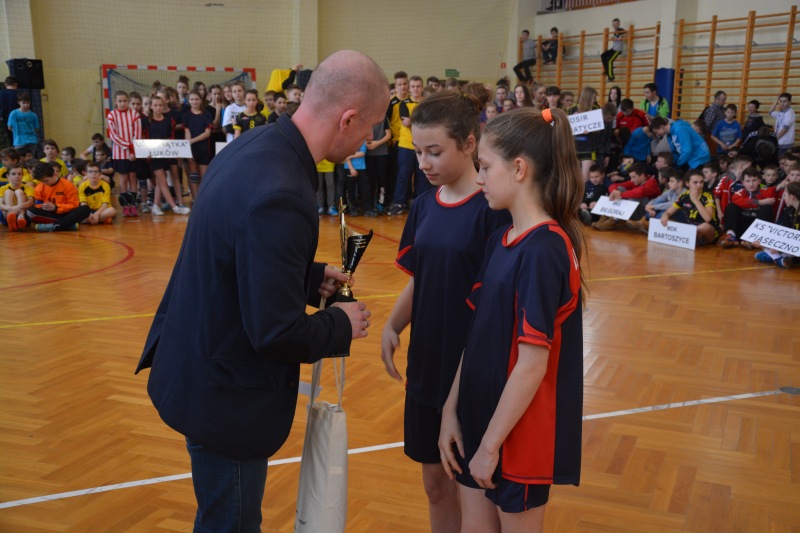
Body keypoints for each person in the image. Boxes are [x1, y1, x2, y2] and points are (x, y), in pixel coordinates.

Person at [135, 50, 385, 532]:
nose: (367, 140)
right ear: (347, 119)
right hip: (225, 395)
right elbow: (274, 332)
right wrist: (339, 324)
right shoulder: (283, 191)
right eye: (369, 128)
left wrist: (308, 277)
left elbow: (236, 254)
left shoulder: (256, 144)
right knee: (230, 524)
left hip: (197, 361)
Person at [439, 106, 584, 531]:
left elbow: (532, 364)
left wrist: (490, 445)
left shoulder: (544, 249)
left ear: (519, 169)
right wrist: (452, 409)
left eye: (485, 167)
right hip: (479, 419)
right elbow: (477, 337)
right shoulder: (502, 238)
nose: (479, 179)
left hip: (517, 435)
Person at [381, 84, 508, 533]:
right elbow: (421, 277)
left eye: (434, 152)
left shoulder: (493, 210)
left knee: (476, 493)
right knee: (435, 485)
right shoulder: (422, 207)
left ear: (470, 144)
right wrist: (393, 325)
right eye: (418, 152)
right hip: (426, 367)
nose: (423, 163)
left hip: (471, 372)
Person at [388, 76, 429, 215]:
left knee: (422, 176)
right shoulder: (404, 103)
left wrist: (414, 120)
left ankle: (420, 203)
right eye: (413, 86)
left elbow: (429, 121)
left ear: (422, 87)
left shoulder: (426, 103)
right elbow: (406, 122)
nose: (415, 89)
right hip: (406, 144)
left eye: (418, 86)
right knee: (403, 175)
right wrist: (421, 119)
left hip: (423, 146)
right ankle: (398, 203)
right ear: (410, 89)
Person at [23, 161, 90, 232]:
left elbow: (74, 205)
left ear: (54, 174)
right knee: (30, 212)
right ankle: (66, 225)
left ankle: (54, 226)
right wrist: (44, 206)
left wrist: (55, 207)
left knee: (85, 209)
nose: (44, 183)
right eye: (42, 181)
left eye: (46, 180)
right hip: (50, 214)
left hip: (66, 213)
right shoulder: (39, 188)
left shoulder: (68, 185)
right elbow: (38, 205)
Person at [719, 167, 775, 248]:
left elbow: (772, 194)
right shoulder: (739, 192)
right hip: (741, 228)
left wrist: (780, 186)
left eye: (754, 180)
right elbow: (737, 200)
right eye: (748, 181)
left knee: (767, 208)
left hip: (757, 230)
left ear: (759, 181)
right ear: (743, 183)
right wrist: (759, 202)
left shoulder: (765, 191)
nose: (751, 184)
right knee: (731, 206)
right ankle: (731, 236)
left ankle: (754, 238)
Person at [659, 169, 718, 244]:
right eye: (695, 182)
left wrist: (695, 199)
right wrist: (665, 215)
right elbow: (668, 212)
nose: (699, 185)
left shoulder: (708, 196)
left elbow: (708, 219)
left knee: (705, 227)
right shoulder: (684, 195)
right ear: (687, 183)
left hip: (709, 230)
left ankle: (688, 236)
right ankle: (690, 237)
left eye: (701, 182)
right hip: (691, 228)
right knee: (664, 221)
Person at [107, 90, 142, 216]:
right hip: (120, 153)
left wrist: (133, 150)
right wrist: (128, 146)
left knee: (133, 178)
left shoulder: (134, 114)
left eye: (125, 101)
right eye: (120, 101)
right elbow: (113, 135)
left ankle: (133, 204)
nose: (123, 103)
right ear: (115, 102)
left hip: (133, 153)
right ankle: (125, 205)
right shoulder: (112, 115)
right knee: (123, 178)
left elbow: (137, 133)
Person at [755, 181, 799, 268]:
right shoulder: (789, 210)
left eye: (785, 195)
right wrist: (773, 244)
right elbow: (781, 228)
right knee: (759, 254)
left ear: (792, 197)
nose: (784, 198)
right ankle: (782, 259)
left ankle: (780, 259)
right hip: (792, 246)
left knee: (765, 253)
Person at [0, 164, 34, 231]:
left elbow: (31, 202)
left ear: (22, 176)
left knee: (19, 191)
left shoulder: (28, 188)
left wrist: (18, 207)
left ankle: (20, 217)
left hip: (23, 215)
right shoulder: (2, 188)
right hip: (7, 215)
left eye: (19, 174)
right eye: (13, 174)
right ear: (8, 176)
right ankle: (10, 217)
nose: (17, 176)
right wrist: (10, 208)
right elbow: (0, 204)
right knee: (8, 192)